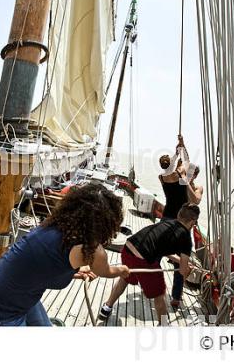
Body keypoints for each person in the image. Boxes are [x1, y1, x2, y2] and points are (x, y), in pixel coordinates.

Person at [0, 184, 130, 326]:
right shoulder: (93, 251)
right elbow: (106, 271)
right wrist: (123, 271)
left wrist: (74, 272)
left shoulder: (56, 225)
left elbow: (40, 267)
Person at [99, 203, 200, 325]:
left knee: (124, 279)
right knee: (159, 294)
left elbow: (161, 249)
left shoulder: (167, 223)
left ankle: (107, 307)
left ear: (179, 215)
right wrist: (188, 270)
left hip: (127, 249)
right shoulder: (186, 238)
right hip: (143, 259)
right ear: (193, 221)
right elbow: (183, 271)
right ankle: (163, 325)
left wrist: (179, 261)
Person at [158, 136, 203, 307]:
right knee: (158, 251)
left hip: (184, 226)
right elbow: (183, 164)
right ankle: (151, 282)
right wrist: (180, 151)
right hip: (169, 219)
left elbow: (196, 200)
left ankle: (176, 296)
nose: (190, 174)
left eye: (192, 173)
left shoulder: (194, 187)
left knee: (181, 261)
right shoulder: (171, 179)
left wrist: (186, 182)